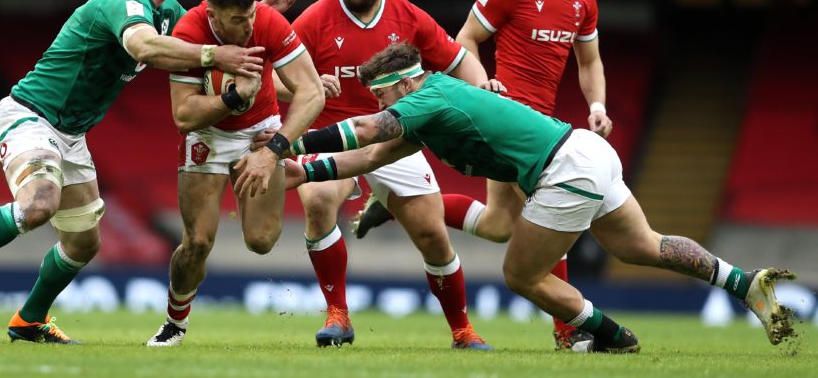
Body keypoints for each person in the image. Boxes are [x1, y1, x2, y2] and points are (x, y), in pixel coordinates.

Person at [0, 0, 302, 344]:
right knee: (39, 204)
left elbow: (214, 36)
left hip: (72, 135)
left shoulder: (169, 14)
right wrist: (217, 53)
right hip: (31, 116)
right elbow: (147, 47)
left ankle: (29, 320)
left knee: (83, 243)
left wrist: (256, 15)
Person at [275, 42, 796, 353]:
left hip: (564, 171)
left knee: (520, 275)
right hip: (588, 154)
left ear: (405, 85)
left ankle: (611, 336)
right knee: (641, 245)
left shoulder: (429, 94)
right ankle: (744, 282)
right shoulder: (428, 110)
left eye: (383, 94)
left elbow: (366, 131)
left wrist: (289, 141)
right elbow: (369, 158)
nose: (379, 103)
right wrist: (307, 171)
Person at [353, 0, 607, 349]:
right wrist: (482, 83)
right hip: (505, 122)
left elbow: (590, 62)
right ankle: (568, 333)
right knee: (553, 221)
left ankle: (398, 205)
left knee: (497, 225)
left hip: (545, 125)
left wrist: (598, 105)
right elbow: (464, 40)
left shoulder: (584, 0)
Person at [254, 0, 496, 350]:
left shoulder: (408, 16)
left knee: (433, 235)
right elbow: (271, 78)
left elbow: (458, 60)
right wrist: (306, 88)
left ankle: (462, 331)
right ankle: (338, 316)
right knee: (316, 201)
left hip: (394, 134)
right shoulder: (315, 19)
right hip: (331, 135)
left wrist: (483, 89)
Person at [146, 0, 324, 347]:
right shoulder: (190, 34)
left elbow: (312, 92)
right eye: (236, 20)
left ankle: (293, 167)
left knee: (261, 241)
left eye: (251, 16)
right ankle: (175, 323)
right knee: (196, 243)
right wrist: (233, 99)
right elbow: (184, 116)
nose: (248, 27)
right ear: (212, 14)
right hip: (208, 135)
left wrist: (276, 146)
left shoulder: (267, 21)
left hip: (262, 132)